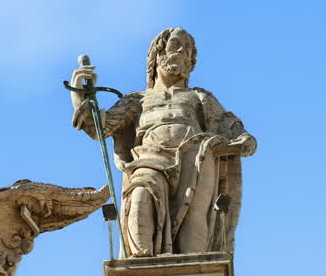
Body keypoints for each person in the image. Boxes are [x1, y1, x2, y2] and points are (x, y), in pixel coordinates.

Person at [70, 28, 256, 257]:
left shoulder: (199, 96)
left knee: (194, 213)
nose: (181, 52)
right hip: (149, 158)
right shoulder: (138, 99)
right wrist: (80, 95)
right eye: (175, 45)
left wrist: (244, 139)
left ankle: (195, 272)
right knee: (139, 198)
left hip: (195, 153)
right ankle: (141, 272)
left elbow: (228, 124)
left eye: (187, 50)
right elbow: (100, 127)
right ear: (157, 55)